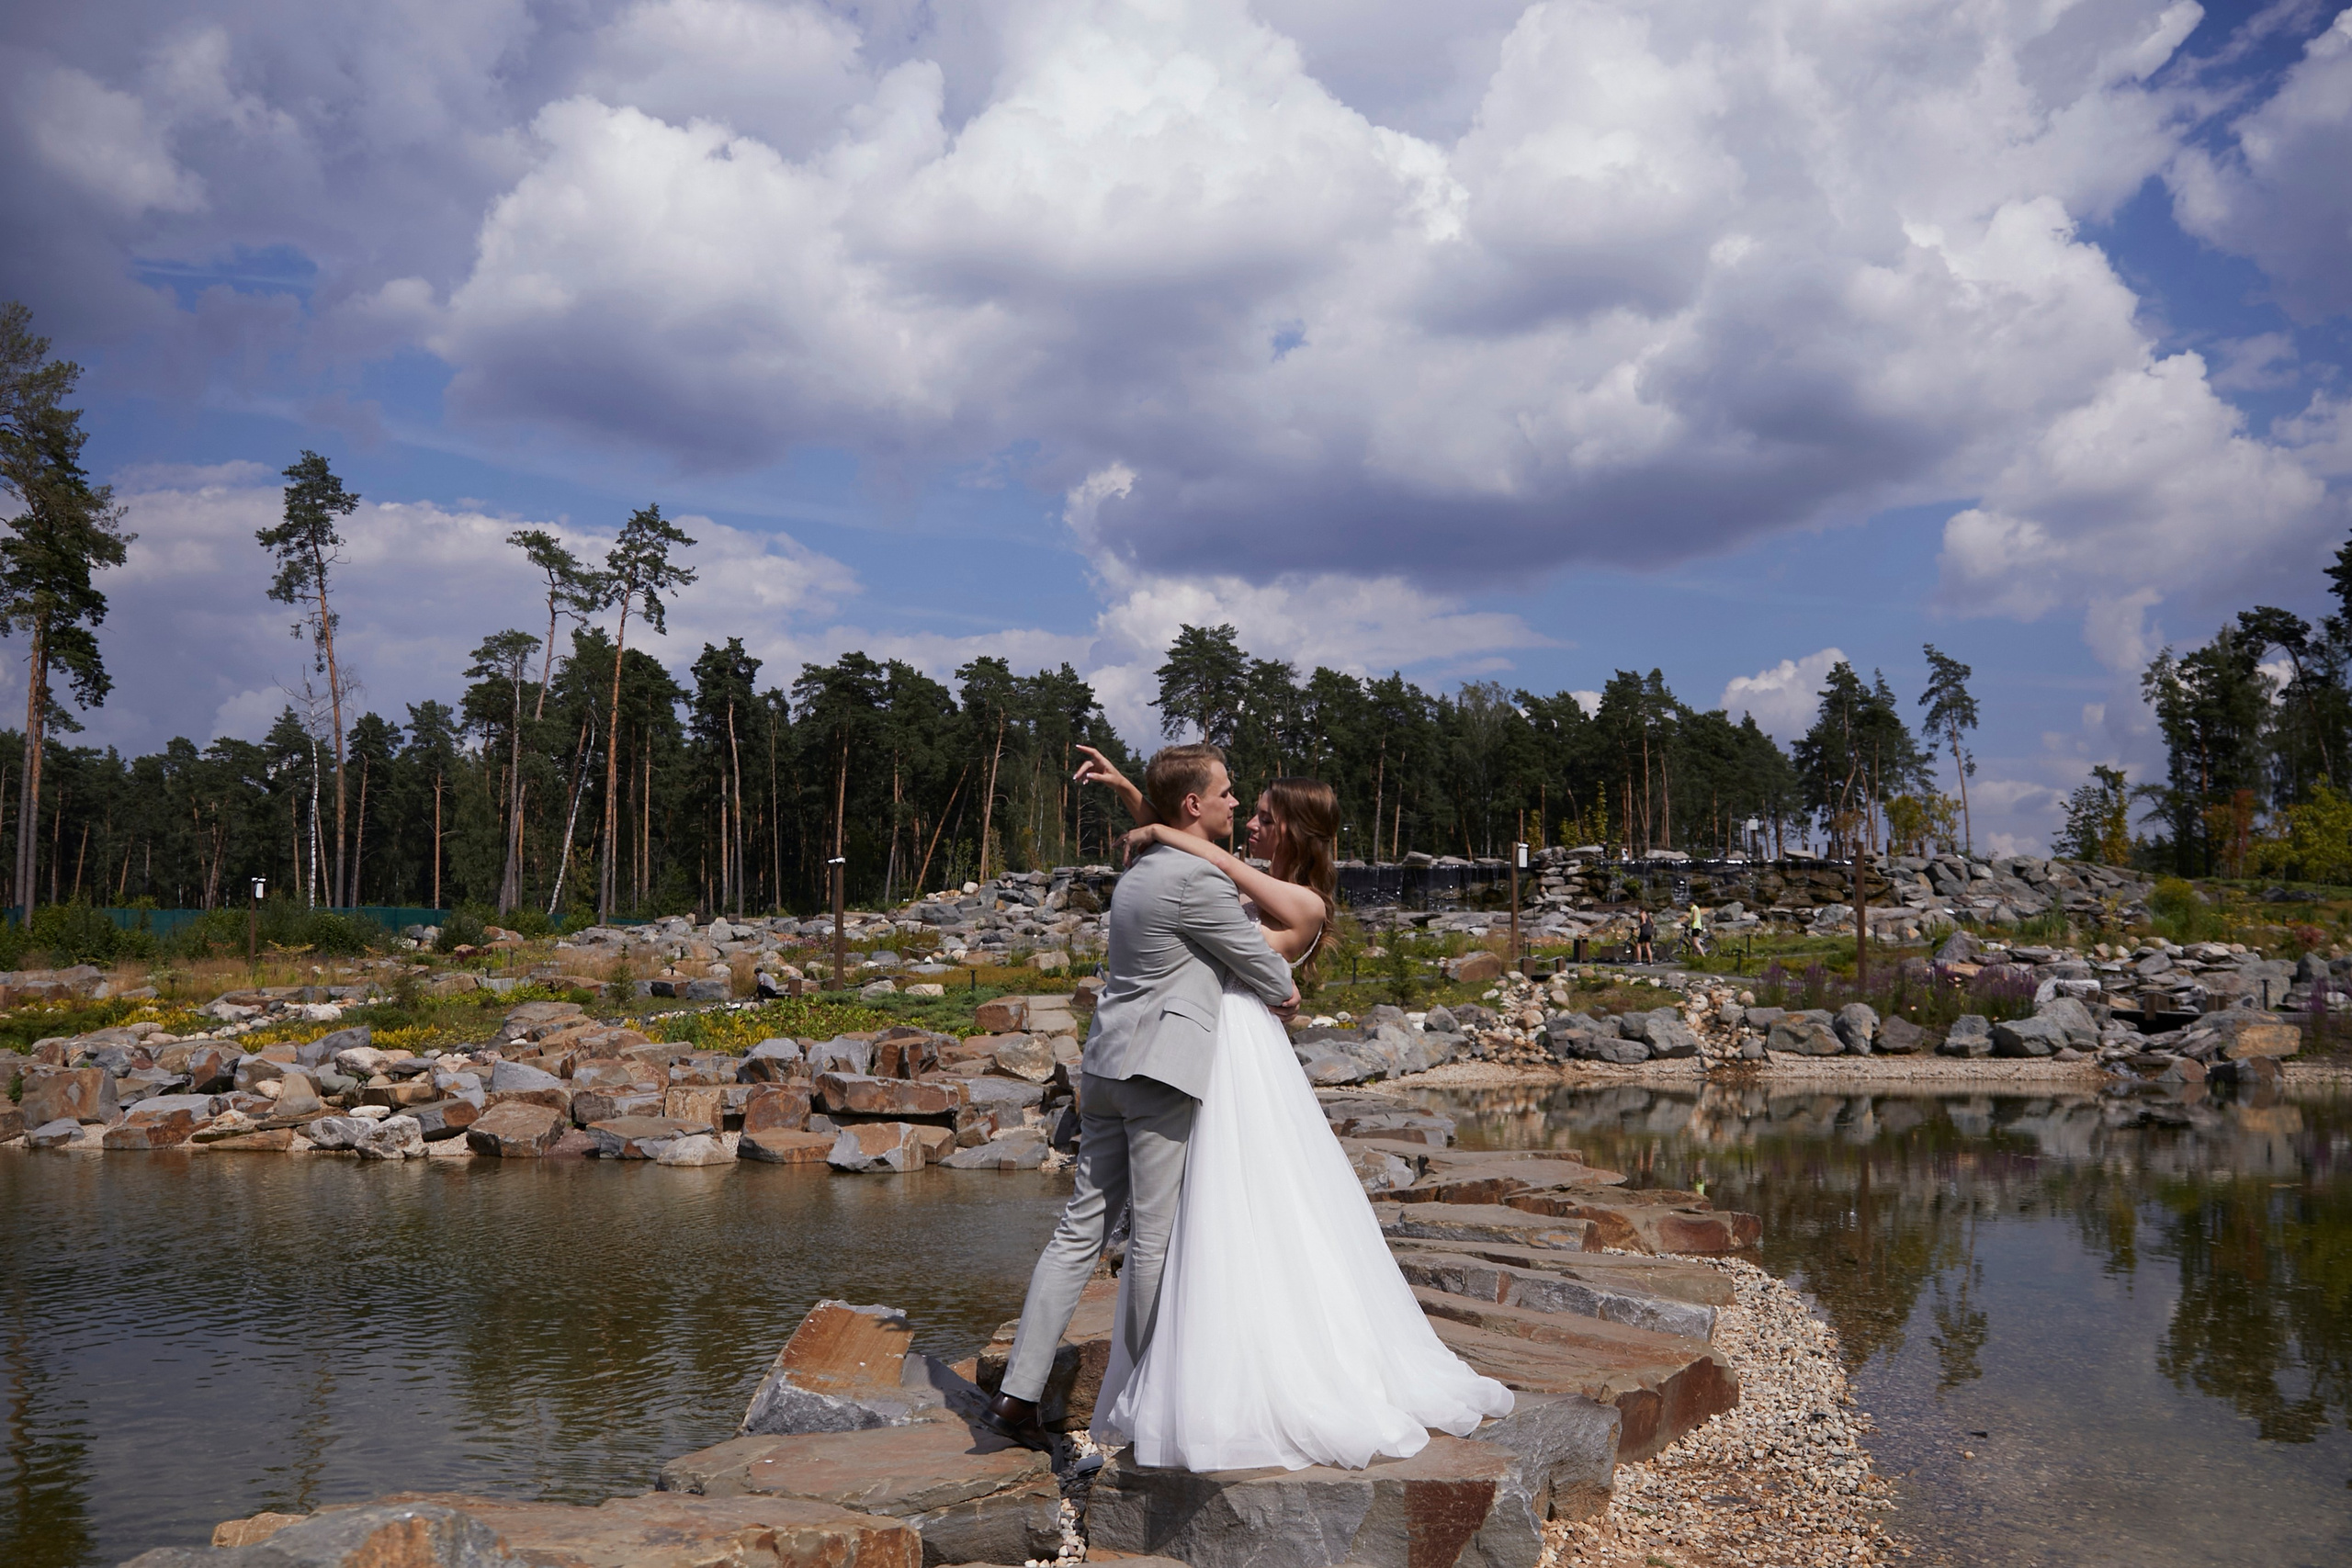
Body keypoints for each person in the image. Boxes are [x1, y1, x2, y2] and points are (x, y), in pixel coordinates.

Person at [1054, 747, 1511, 1472]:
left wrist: (1165, 828)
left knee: (1241, 1215)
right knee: (1199, 1225)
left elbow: (1205, 858)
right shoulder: (1236, 874)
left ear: (1294, 832)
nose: (1252, 822)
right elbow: (1194, 845)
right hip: (1202, 1054)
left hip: (1236, 1060)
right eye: (1248, 808)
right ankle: (1186, 1364)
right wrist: (1133, 797)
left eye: (1266, 816)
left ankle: (1245, 1378)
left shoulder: (1304, 902)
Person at [982, 743, 1300, 1453]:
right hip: (1158, 1075)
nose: (1232, 802)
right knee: (1153, 1238)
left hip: (1105, 1067)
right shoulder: (1198, 881)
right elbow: (1261, 965)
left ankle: (1016, 1395)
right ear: (1194, 804)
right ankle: (1138, 1400)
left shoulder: (1142, 871)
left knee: (1079, 1230)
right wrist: (1285, 990)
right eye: (1225, 792)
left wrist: (1130, 789)